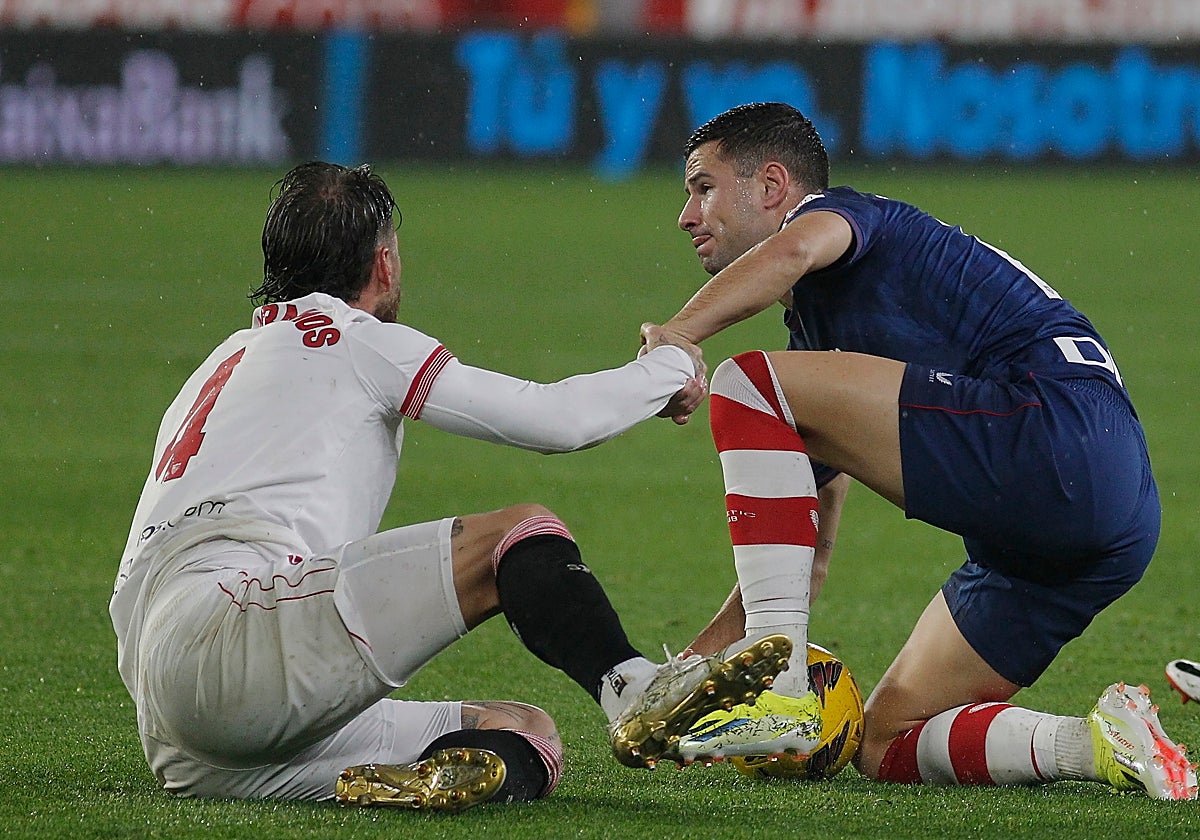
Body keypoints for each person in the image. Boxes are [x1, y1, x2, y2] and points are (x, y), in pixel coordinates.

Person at [109, 161, 792, 812]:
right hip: (238, 629)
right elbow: (554, 421)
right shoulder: (353, 336)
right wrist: (670, 363)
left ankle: (410, 781)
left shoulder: (216, 366)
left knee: (524, 730)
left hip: (173, 718)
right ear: (383, 263)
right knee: (517, 535)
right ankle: (633, 686)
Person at [640, 102, 1197, 800]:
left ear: (773, 185)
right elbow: (800, 552)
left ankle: (778, 690)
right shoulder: (817, 354)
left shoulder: (838, 216)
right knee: (888, 740)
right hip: (1108, 508)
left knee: (741, 381)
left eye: (703, 187)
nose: (688, 215)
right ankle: (1099, 743)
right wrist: (691, 670)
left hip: (1047, 425)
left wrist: (681, 333)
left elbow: (790, 254)